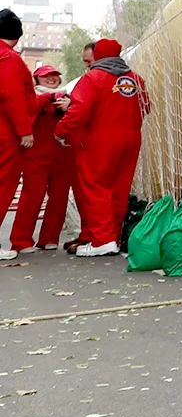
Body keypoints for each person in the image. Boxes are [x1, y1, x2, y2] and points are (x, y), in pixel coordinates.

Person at [56, 37, 148, 257]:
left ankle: (103, 240)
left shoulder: (93, 77)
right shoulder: (136, 79)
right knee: (119, 188)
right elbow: (146, 107)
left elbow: (78, 111)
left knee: (96, 186)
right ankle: (113, 237)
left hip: (101, 138)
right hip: (131, 138)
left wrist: (60, 131)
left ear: (97, 55)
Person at [9, 65, 75, 253]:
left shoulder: (68, 97)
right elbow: (26, 114)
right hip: (35, 156)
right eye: (46, 76)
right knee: (32, 197)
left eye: (54, 75)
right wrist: (48, 98)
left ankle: (49, 238)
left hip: (63, 155)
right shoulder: (31, 97)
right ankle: (21, 241)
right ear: (36, 80)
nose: (51, 78)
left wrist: (68, 104)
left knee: (59, 198)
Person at [0, 9, 37, 262]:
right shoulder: (9, 59)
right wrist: (24, 130)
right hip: (6, 133)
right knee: (3, 186)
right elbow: (12, 95)